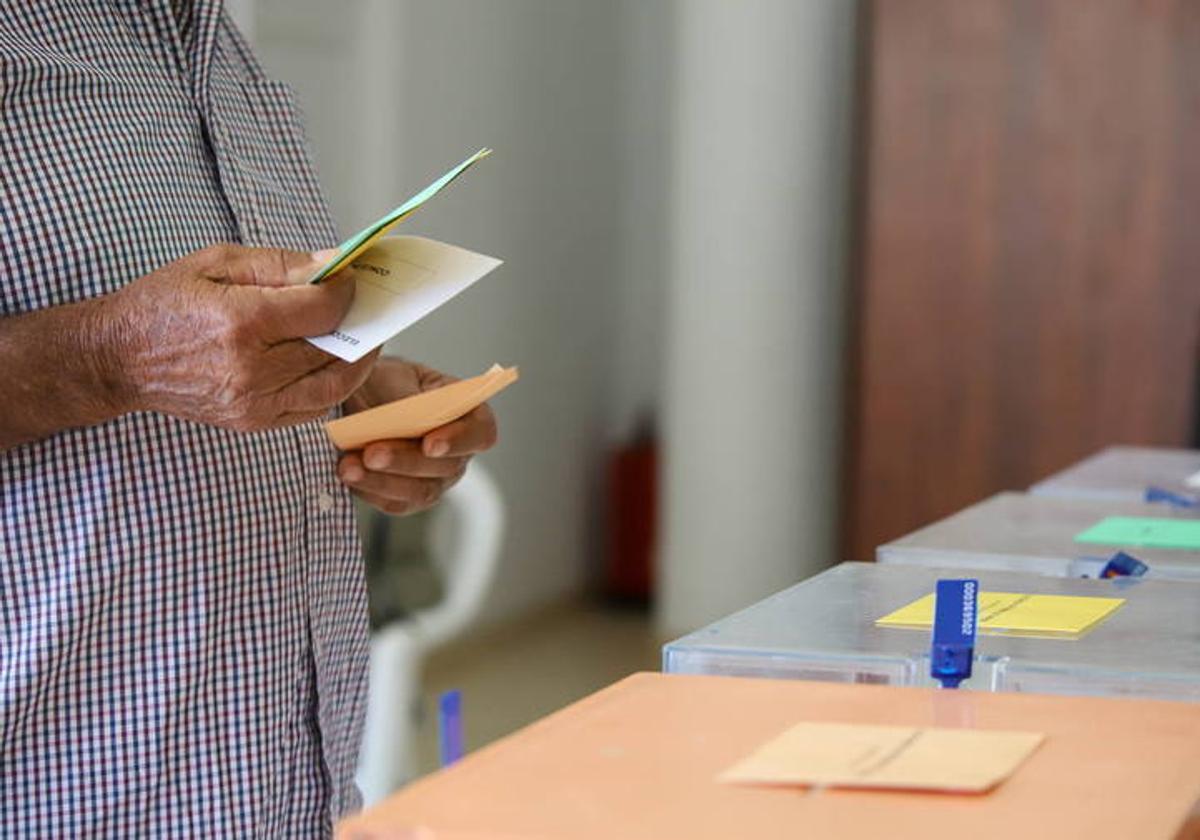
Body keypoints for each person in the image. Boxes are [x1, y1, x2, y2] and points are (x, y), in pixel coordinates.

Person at [0, 2, 497, 836]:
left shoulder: (217, 44)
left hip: (284, 796)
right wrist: (105, 358)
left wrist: (349, 400)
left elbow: (219, 350)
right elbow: (142, 350)